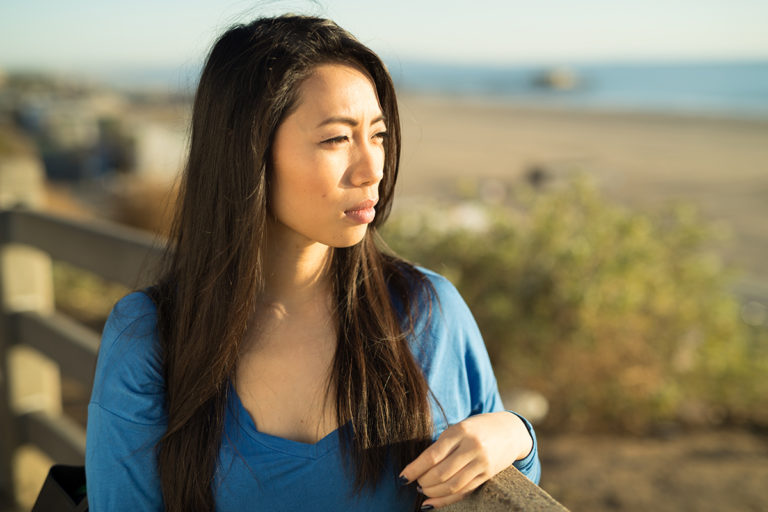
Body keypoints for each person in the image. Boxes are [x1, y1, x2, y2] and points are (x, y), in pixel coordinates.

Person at [85, 14, 541, 512]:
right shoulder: (152, 337)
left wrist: (516, 435)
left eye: (379, 135)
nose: (372, 170)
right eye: (336, 139)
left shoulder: (428, 312)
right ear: (248, 152)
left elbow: (502, 489)